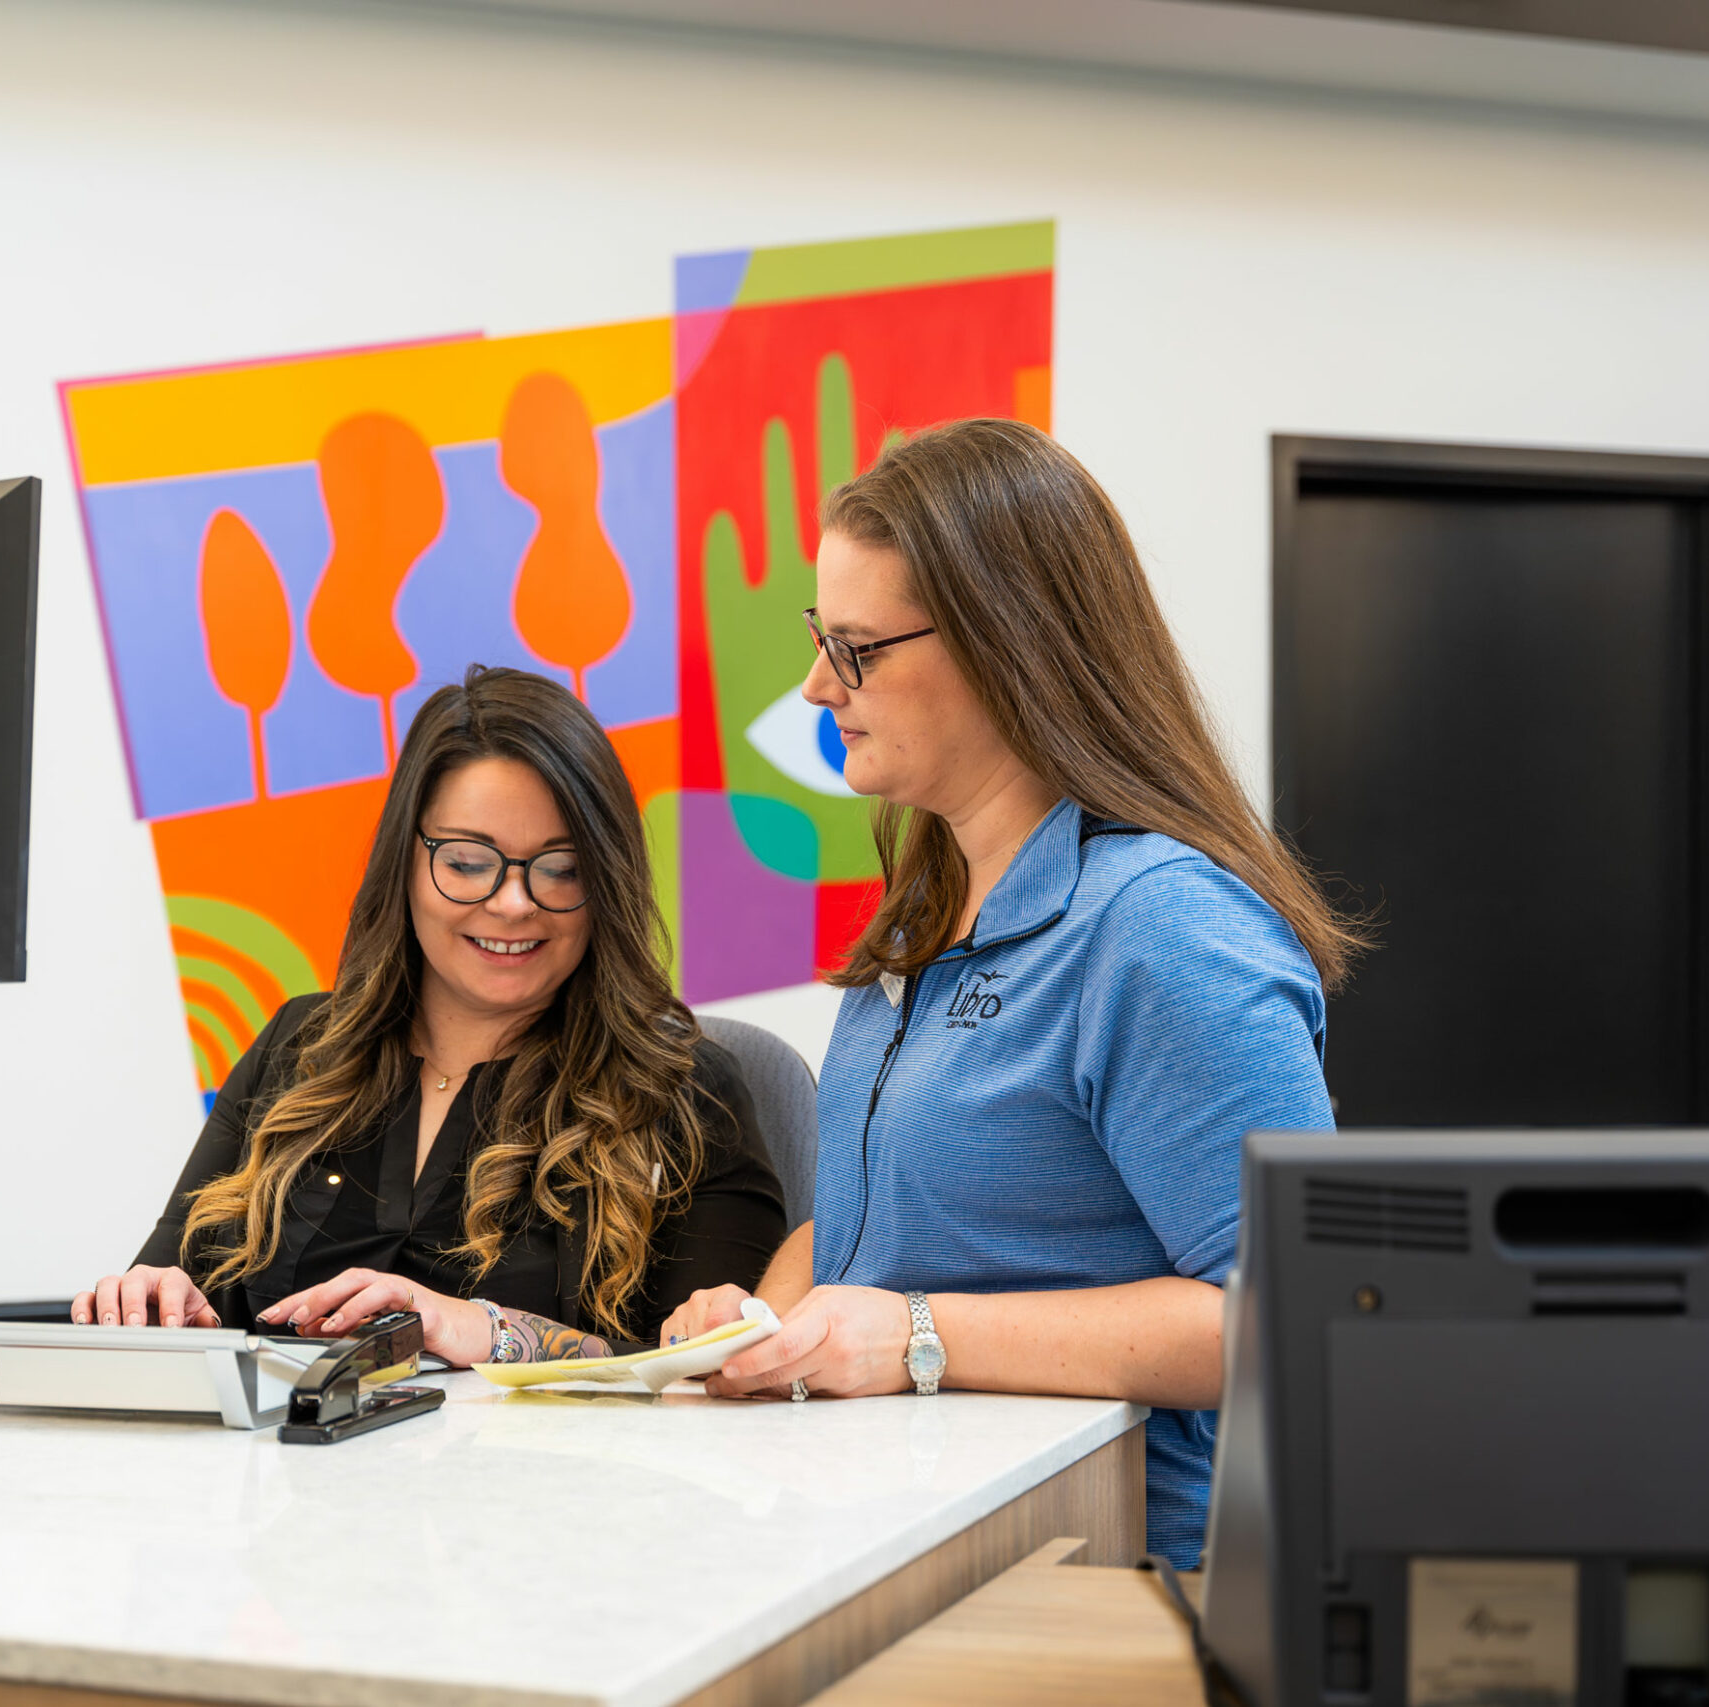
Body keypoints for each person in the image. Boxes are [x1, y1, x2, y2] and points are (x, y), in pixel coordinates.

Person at [661, 420, 1356, 1566]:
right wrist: (770, 1322)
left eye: (855, 649)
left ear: (1005, 646)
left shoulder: (1162, 928)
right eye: (820, 639)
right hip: (900, 1537)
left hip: (1116, 1566)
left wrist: (916, 1337)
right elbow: (877, 1229)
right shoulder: (924, 917)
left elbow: (1288, 1315)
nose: (817, 685)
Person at [79, 665, 784, 1365]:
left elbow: (707, 1372)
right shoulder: (299, 1048)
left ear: (606, 881)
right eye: (469, 862)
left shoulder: (683, 1091)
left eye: (561, 868)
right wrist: (155, 1300)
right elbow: (178, 1290)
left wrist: (487, 1332)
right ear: (407, 861)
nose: (514, 903)